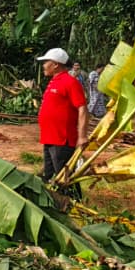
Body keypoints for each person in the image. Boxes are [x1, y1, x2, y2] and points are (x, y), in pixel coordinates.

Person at [36, 47, 89, 182]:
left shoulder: (70, 82)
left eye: (46, 62)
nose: (43, 65)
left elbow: (82, 109)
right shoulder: (54, 81)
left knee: (64, 177)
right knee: (49, 176)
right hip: (50, 138)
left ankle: (73, 200)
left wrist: (82, 136)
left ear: (55, 65)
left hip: (62, 139)